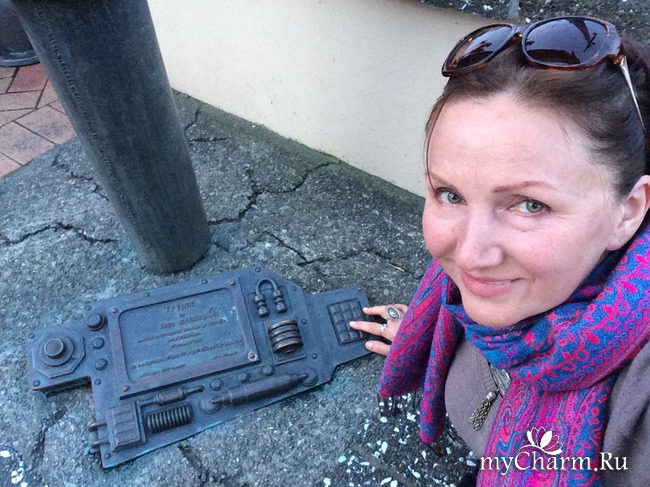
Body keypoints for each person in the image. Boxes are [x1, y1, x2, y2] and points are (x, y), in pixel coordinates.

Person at [350, 16, 650, 486]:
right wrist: (421, 335)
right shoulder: (467, 304)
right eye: (450, 194)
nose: (470, 256)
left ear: (627, 212)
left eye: (530, 205)